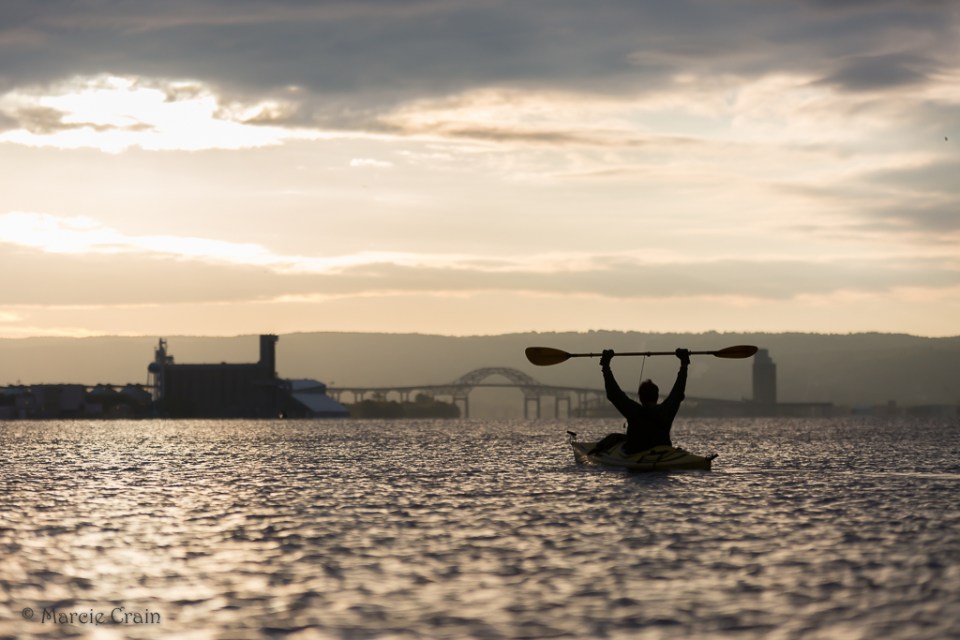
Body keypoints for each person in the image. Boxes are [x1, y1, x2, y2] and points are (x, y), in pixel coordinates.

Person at [594, 347, 691, 455]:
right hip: (664, 452)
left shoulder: (634, 411)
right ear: (657, 397)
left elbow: (614, 394)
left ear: (640, 397)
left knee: (614, 438)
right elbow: (678, 391)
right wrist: (684, 364)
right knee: (616, 437)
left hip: (636, 453)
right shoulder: (667, 410)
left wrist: (606, 366)